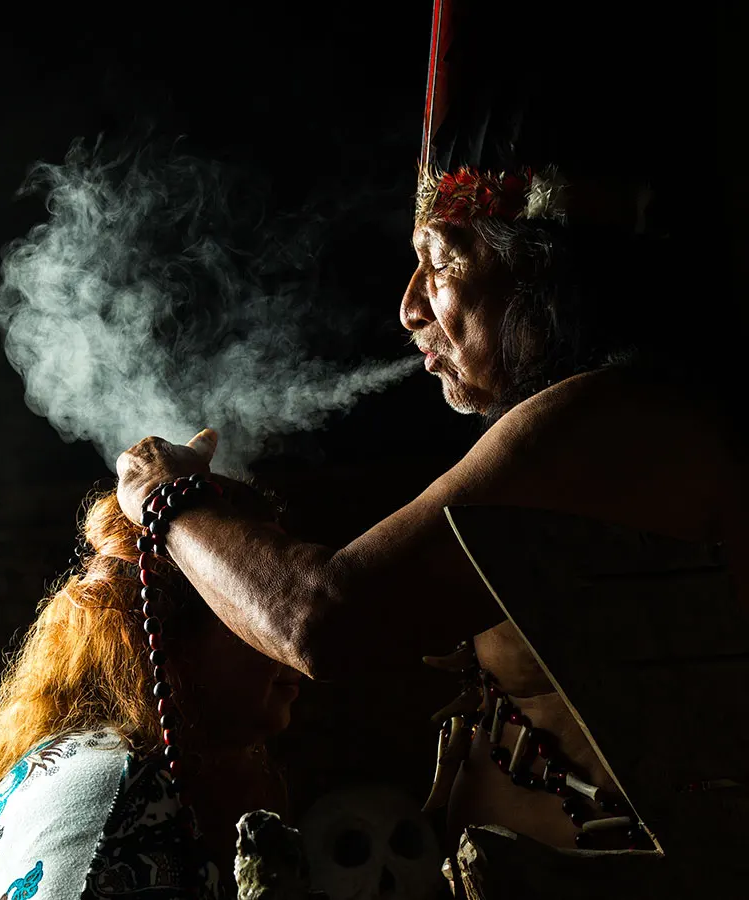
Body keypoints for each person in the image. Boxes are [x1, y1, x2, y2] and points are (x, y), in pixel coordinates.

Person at [115, 4, 747, 897]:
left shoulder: (614, 420)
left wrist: (166, 499)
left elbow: (316, 619)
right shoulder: (613, 418)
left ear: (539, 268)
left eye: (442, 260)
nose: (411, 305)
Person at [0, 490, 301, 898]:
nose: (286, 644)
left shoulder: (104, 761)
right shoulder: (123, 786)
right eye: (260, 612)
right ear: (169, 633)